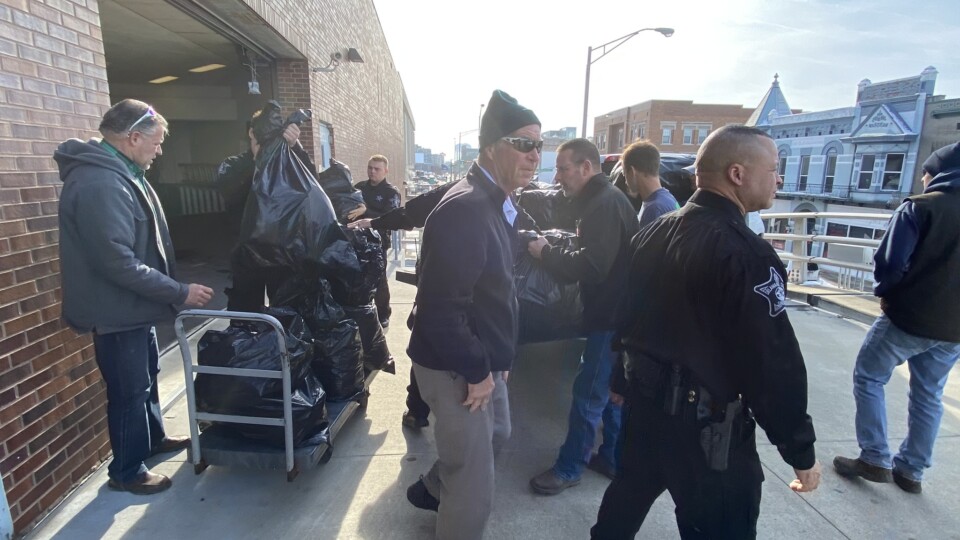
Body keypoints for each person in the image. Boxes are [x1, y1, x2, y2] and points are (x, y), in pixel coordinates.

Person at [591, 125, 820, 538]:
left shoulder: (653, 233)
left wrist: (620, 379)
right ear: (737, 173)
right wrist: (799, 449)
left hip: (645, 412)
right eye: (773, 169)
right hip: (707, 435)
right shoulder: (746, 253)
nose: (778, 179)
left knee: (619, 513)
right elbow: (771, 360)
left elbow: (624, 315)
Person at [55, 99, 214, 495]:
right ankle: (126, 470)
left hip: (133, 309)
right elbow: (117, 263)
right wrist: (179, 291)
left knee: (146, 380)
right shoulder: (100, 182)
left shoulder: (122, 173)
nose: (159, 151)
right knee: (128, 391)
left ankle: (152, 439)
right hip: (116, 312)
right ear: (133, 137)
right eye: (157, 143)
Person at [404, 90, 540, 540]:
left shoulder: (497, 201)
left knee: (498, 433)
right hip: (457, 367)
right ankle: (449, 493)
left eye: (538, 145)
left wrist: (498, 361)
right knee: (474, 491)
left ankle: (432, 487)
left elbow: (490, 289)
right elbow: (442, 313)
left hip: (484, 360)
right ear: (490, 147)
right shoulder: (466, 209)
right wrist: (480, 370)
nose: (535, 155)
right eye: (523, 143)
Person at [834, 141, 960, 495]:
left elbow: (890, 263)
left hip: (909, 318)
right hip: (954, 330)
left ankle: (874, 456)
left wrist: (889, 293)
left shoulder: (920, 208)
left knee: (869, 376)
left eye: (924, 172)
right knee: (928, 395)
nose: (922, 179)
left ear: (936, 173)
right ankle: (912, 470)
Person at [527, 138, 640, 494]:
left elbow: (592, 266)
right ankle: (612, 457)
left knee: (589, 393)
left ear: (587, 167)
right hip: (618, 314)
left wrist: (546, 253)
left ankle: (570, 467)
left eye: (563, 168)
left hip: (609, 317)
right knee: (607, 392)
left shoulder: (603, 205)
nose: (558, 177)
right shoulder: (603, 200)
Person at [351, 155, 402, 327]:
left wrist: (366, 211)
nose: (372, 171)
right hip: (356, 240)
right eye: (370, 167)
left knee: (379, 278)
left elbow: (392, 217)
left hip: (378, 242)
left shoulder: (391, 192)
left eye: (377, 169)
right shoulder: (359, 188)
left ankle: (383, 313)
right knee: (357, 277)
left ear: (385, 171)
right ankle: (360, 310)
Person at [619, 139, 680, 229]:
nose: (625, 181)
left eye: (624, 174)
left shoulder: (654, 209)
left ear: (632, 172)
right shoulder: (668, 197)